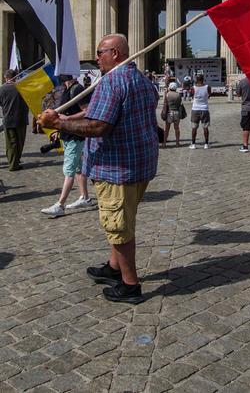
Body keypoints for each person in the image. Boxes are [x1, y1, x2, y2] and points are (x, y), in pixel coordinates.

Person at [39, 34, 158, 304]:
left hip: (117, 167)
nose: (96, 57)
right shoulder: (141, 79)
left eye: (100, 52)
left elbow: (98, 126)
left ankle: (130, 285)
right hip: (139, 164)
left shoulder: (112, 81)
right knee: (123, 219)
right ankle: (114, 268)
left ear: (115, 53)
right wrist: (68, 116)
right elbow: (97, 110)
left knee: (118, 227)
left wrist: (58, 125)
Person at [41, 75, 93, 217]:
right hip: (68, 134)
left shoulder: (77, 89)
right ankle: (85, 197)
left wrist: (68, 119)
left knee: (68, 170)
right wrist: (57, 130)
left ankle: (60, 205)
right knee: (77, 168)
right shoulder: (66, 89)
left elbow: (87, 111)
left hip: (75, 135)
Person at [0, 69, 28, 171]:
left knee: (11, 143)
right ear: (15, 77)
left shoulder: (2, 89)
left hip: (8, 119)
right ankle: (15, 162)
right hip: (21, 119)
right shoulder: (22, 88)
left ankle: (13, 163)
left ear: (5, 77)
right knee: (20, 142)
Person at [189, 74, 211, 149]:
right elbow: (209, 95)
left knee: (194, 127)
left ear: (196, 79)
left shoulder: (193, 88)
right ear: (203, 79)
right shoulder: (207, 87)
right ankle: (206, 144)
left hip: (195, 108)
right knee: (205, 127)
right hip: (204, 108)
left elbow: (191, 95)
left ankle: (193, 144)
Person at [162, 81, 183, 147]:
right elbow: (179, 104)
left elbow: (165, 103)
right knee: (177, 128)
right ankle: (177, 143)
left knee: (167, 129)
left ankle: (164, 143)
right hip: (176, 112)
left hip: (169, 113)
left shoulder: (167, 94)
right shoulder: (178, 95)